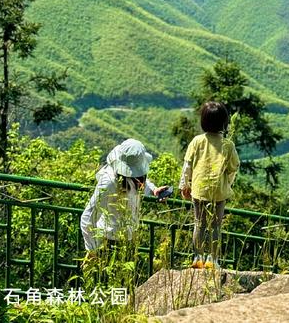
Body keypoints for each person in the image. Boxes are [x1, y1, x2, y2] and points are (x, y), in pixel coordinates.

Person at [179, 101, 240, 270]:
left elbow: (187, 166)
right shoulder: (228, 145)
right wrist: (228, 184)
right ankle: (212, 259)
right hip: (219, 193)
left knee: (199, 224)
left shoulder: (197, 141)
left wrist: (185, 185)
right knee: (215, 226)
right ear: (224, 122)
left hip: (198, 190)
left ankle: (197, 257)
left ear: (203, 121)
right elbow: (234, 168)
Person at [80, 138, 169, 253]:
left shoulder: (132, 177)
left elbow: (141, 183)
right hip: (109, 240)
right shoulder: (109, 181)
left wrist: (154, 190)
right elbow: (87, 217)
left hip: (129, 236)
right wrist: (92, 251)